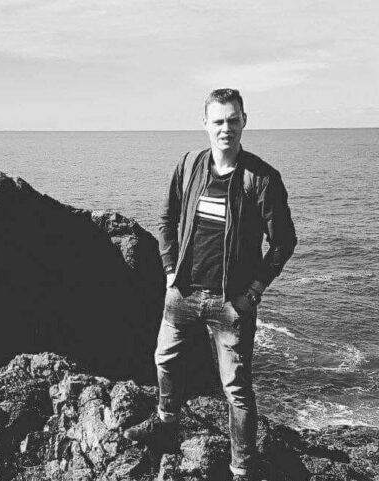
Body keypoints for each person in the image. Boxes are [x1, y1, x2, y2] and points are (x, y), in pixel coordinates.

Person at [124, 88, 297, 480]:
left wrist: (254, 292)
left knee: (236, 390)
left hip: (230, 303)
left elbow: (283, 242)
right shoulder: (189, 165)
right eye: (218, 121)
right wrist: (170, 269)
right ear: (205, 123)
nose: (226, 129)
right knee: (164, 359)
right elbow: (167, 219)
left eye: (233, 120)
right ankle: (166, 425)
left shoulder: (261, 178)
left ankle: (243, 469)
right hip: (182, 292)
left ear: (244, 121)